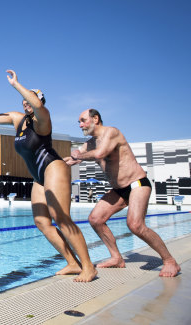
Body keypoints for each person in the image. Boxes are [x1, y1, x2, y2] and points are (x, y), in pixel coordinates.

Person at [0, 71, 97, 282]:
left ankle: (88, 266)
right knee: (42, 221)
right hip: (38, 175)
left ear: (38, 100)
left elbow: (37, 105)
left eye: (30, 99)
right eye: (23, 100)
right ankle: (72, 262)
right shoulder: (18, 119)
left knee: (61, 217)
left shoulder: (43, 118)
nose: (26, 102)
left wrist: (16, 84)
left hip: (53, 167)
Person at [66, 109, 181, 277]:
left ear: (95, 118)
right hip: (119, 189)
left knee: (135, 225)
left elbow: (99, 154)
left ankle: (170, 261)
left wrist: (79, 155)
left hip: (137, 184)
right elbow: (71, 159)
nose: (80, 125)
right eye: (79, 122)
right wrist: (48, 163)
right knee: (95, 219)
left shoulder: (111, 133)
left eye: (83, 120)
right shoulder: (90, 143)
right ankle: (116, 258)